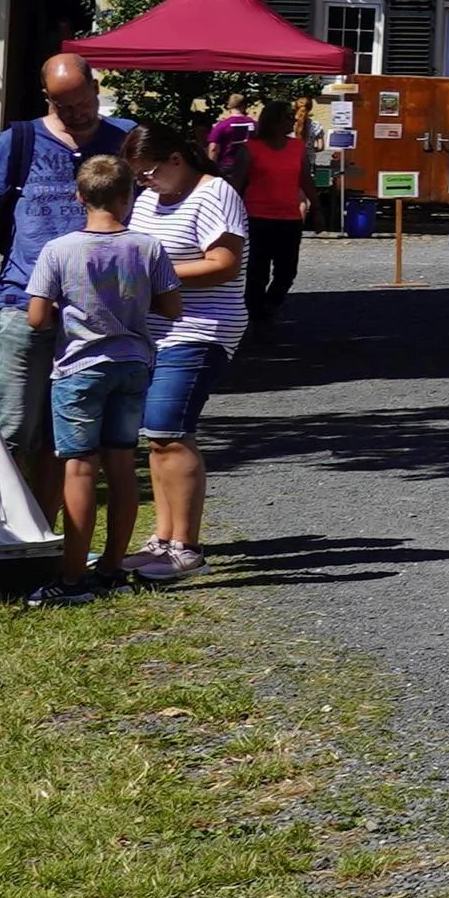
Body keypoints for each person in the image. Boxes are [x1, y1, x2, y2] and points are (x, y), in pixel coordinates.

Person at [0, 53, 135, 505]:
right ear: (46, 98)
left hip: (98, 315)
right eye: (62, 106)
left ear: (96, 87)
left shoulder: (126, 139)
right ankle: (0, 531)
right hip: (22, 303)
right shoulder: (19, 140)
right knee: (13, 429)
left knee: (67, 437)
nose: (75, 115)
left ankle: (46, 536)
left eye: (82, 103)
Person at [19, 154, 178, 605]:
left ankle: (71, 579)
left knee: (80, 466)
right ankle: (111, 567)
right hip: (133, 365)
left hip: (79, 368)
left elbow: (35, 318)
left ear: (79, 197)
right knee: (123, 466)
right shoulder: (147, 248)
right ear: (129, 197)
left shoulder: (59, 249)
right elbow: (173, 308)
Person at [119, 123, 250, 588]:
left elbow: (224, 263)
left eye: (149, 172)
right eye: (137, 177)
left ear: (178, 159)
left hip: (201, 329)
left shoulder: (216, 194)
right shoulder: (154, 197)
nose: (144, 183)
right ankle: (163, 537)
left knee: (170, 430)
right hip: (155, 330)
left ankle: (187, 548)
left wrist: (155, 273)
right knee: (155, 437)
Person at [214, 101, 309, 330]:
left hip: (289, 217)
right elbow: (237, 184)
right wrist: (228, 214)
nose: (293, 121)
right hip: (257, 217)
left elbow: (305, 179)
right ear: (274, 120)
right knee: (257, 270)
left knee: (287, 271)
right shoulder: (251, 149)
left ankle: (269, 304)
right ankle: (256, 315)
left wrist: (316, 207)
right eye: (288, 116)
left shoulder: (297, 147)